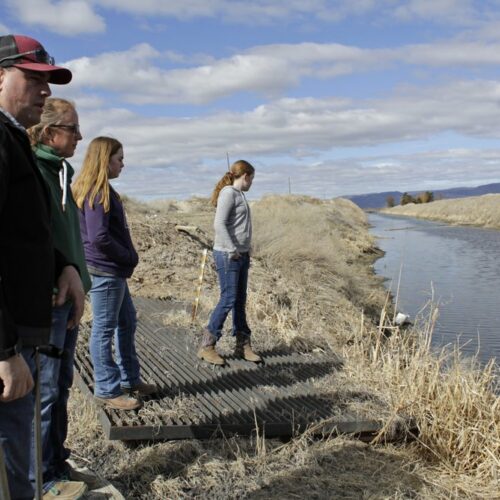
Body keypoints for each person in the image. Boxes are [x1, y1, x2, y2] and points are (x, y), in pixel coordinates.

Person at [0, 34, 85, 499]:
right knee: (13, 465)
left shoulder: (11, 140)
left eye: (48, 82)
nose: (45, 91)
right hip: (9, 342)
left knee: (21, 457)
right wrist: (4, 351)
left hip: (23, 333)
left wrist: (63, 266)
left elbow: (21, 233)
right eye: (33, 79)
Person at [27, 97, 91, 498]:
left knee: (61, 385)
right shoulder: (33, 171)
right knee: (45, 392)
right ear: (50, 132)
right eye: (72, 128)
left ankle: (56, 460)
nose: (80, 136)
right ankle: (43, 478)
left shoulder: (63, 172)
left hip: (69, 298)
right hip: (49, 302)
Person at [72, 136, 156, 411]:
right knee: (104, 329)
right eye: (119, 159)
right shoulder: (98, 192)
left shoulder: (100, 189)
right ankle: (108, 389)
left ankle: (130, 380)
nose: (123, 164)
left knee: (127, 321)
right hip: (106, 271)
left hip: (111, 271)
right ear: (104, 160)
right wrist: (128, 255)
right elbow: (98, 238)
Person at [198, 160, 261, 365]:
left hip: (241, 255)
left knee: (239, 300)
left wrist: (245, 248)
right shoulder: (228, 193)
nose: (252, 182)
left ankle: (242, 344)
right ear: (246, 176)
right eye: (252, 178)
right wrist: (233, 249)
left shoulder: (240, 195)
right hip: (228, 255)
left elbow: (239, 226)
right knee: (228, 298)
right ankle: (207, 345)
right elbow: (219, 224)